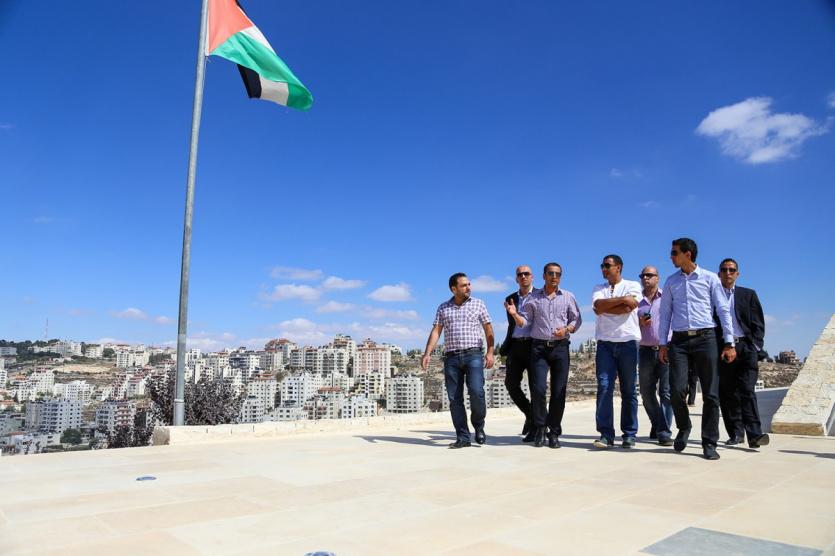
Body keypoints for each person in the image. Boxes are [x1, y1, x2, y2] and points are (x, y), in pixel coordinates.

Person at [658, 238, 736, 461]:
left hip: (706, 338)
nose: (671, 257)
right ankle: (684, 427)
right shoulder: (671, 281)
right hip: (679, 341)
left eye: (674, 253)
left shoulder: (710, 278)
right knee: (675, 390)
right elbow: (665, 314)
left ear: (688, 254)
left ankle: (709, 442)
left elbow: (723, 310)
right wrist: (663, 343)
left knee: (711, 394)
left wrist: (729, 342)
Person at [505, 262, 581, 448]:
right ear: (544, 276)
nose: (554, 276)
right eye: (551, 273)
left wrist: (566, 330)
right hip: (539, 349)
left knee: (559, 391)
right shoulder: (534, 298)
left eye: (558, 274)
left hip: (560, 348)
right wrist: (514, 314)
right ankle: (540, 427)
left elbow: (576, 320)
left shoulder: (568, 296)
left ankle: (553, 432)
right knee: (538, 389)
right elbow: (524, 322)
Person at [422, 273, 495, 449]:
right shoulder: (443, 307)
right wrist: (427, 353)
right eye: (464, 285)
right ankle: (463, 437)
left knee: (477, 391)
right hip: (451, 357)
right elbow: (436, 331)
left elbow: (488, 329)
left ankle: (478, 426)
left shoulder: (479, 304)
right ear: (454, 289)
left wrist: (491, 352)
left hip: (474, 355)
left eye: (469, 284)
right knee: (454, 398)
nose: (468, 287)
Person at [715, 258, 769, 449]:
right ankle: (736, 433)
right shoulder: (712, 297)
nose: (728, 273)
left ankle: (754, 435)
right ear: (719, 274)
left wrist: (755, 346)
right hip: (723, 349)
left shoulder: (748, 295)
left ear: (737, 274)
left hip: (746, 348)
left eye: (732, 270)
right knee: (728, 393)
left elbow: (758, 324)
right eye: (724, 270)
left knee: (747, 390)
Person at [591, 255, 642, 449]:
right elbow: (598, 306)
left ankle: (629, 434)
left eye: (607, 265)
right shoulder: (599, 288)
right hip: (605, 344)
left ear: (618, 267)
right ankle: (606, 434)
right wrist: (621, 300)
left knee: (628, 390)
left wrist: (607, 306)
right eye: (602, 265)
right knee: (604, 387)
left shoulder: (633, 285)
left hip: (628, 342)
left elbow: (628, 308)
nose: (603, 269)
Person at [637, 266, 674, 446]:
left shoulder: (668, 298)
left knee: (666, 392)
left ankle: (663, 432)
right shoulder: (636, 301)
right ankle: (659, 424)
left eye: (649, 275)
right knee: (646, 393)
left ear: (658, 278)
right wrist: (639, 322)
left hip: (666, 349)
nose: (645, 278)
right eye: (643, 275)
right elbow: (628, 325)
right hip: (644, 351)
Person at [499, 265, 537, 441]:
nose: (523, 276)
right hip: (515, 345)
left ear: (532, 277)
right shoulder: (510, 298)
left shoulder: (539, 296)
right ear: (516, 278)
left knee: (537, 387)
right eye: (520, 274)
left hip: (534, 345)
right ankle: (529, 413)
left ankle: (536, 426)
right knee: (511, 383)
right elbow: (512, 324)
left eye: (526, 274)